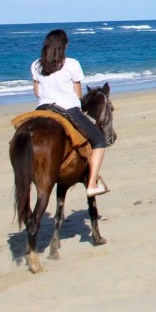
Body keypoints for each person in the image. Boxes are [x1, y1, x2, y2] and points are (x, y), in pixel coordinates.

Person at [31, 29, 110, 197]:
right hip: (68, 109)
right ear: (64, 45)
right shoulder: (72, 64)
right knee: (99, 141)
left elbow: (37, 92)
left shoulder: (37, 64)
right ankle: (92, 184)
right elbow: (78, 94)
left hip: (42, 108)